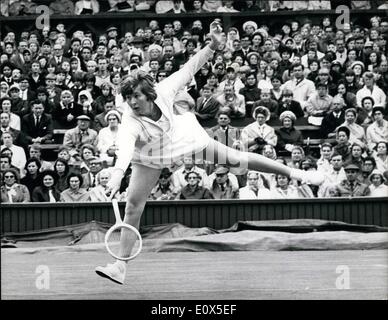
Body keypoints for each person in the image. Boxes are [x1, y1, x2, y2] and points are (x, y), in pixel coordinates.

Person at [95, 20, 324, 284]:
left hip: (183, 138)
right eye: (128, 98)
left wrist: (212, 47)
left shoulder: (165, 89)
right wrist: (116, 173)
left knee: (237, 160)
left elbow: (190, 66)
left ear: (149, 93)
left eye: (136, 95)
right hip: (148, 155)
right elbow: (124, 147)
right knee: (133, 207)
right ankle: (120, 266)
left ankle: (296, 173)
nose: (133, 102)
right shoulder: (129, 119)